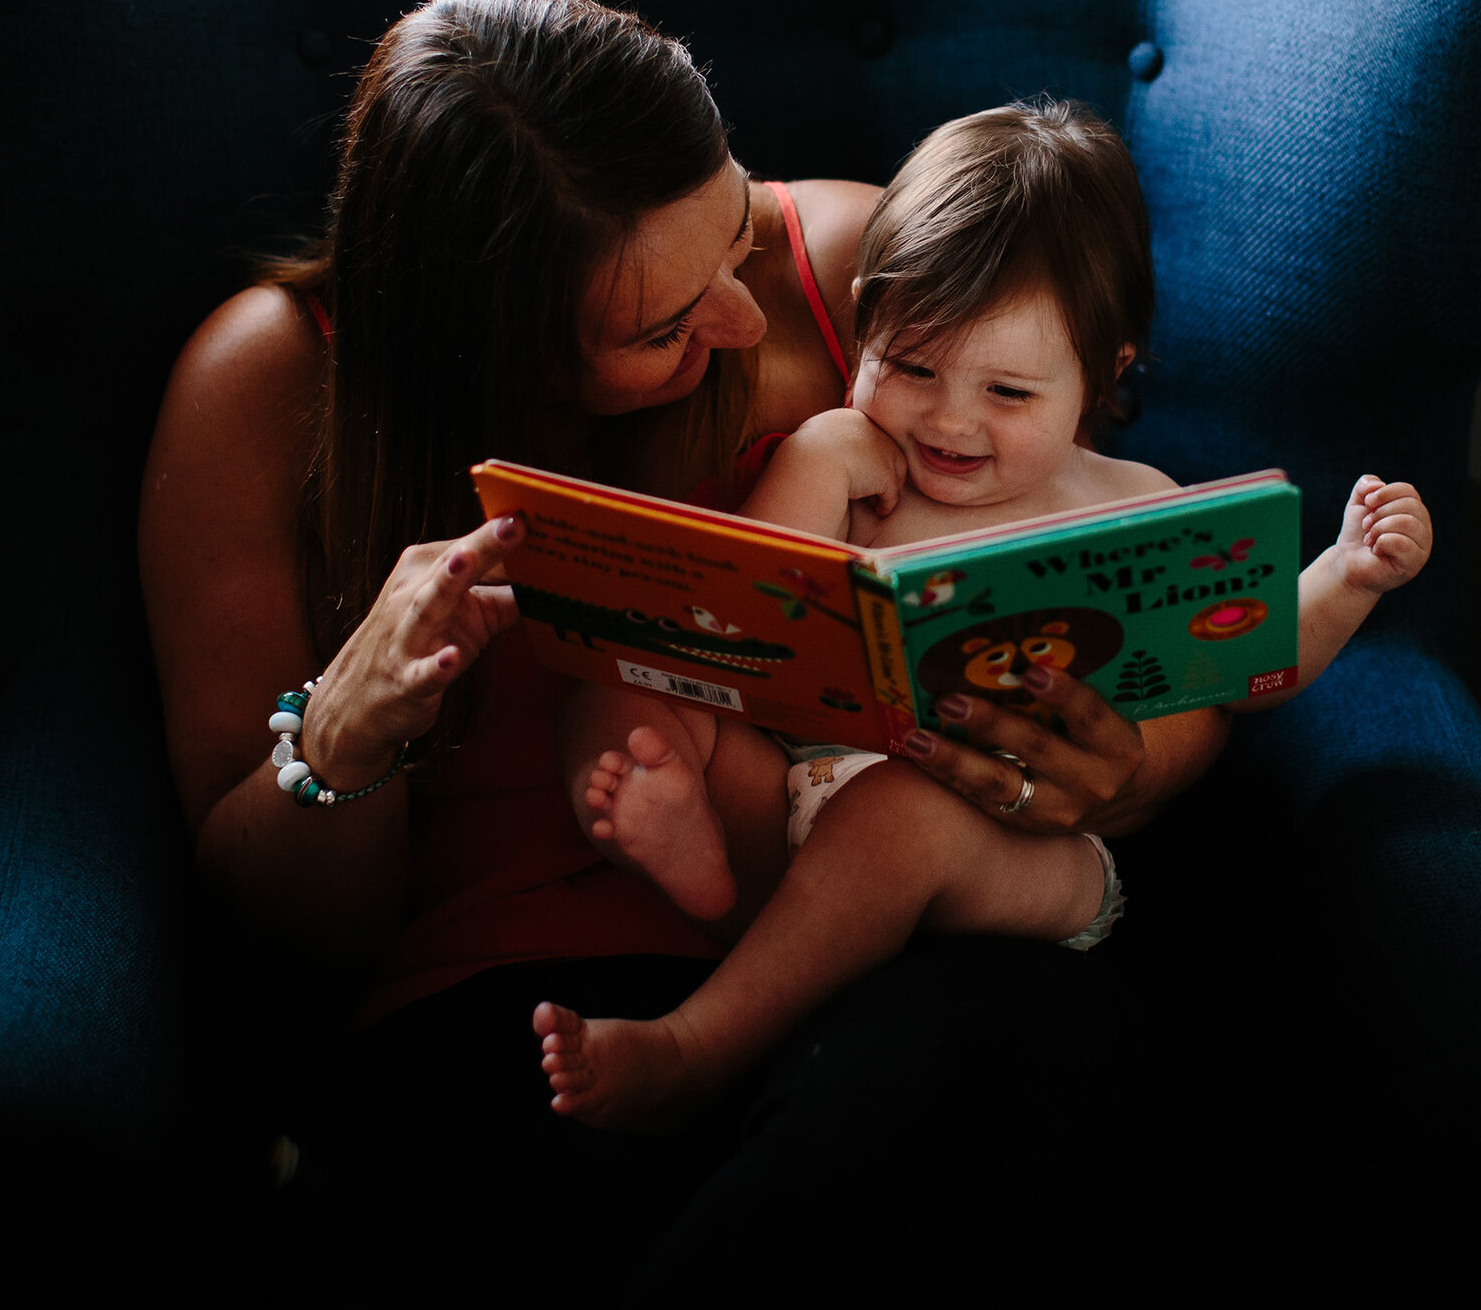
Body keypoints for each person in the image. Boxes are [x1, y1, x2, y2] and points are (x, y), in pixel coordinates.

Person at [137, 0, 1228, 1297]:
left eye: (729, 227)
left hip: (876, 937)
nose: (739, 314)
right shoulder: (263, 393)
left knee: (1027, 1048)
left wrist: (1134, 761)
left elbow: (1126, 559)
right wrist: (347, 728)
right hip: (509, 1005)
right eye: (662, 326)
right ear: (497, 346)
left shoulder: (845, 268)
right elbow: (275, 932)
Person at [540, 99, 1434, 1129]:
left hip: (1006, 851)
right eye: (910, 366)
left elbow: (1250, 657)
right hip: (789, 813)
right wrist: (816, 459)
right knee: (630, 684)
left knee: (897, 818)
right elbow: (742, 617)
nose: (949, 418)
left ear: (1103, 375)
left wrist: (1345, 577)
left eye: (1008, 392)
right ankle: (698, 863)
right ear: (865, 319)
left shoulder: (1136, 505)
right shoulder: (854, 464)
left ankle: (693, 1046)